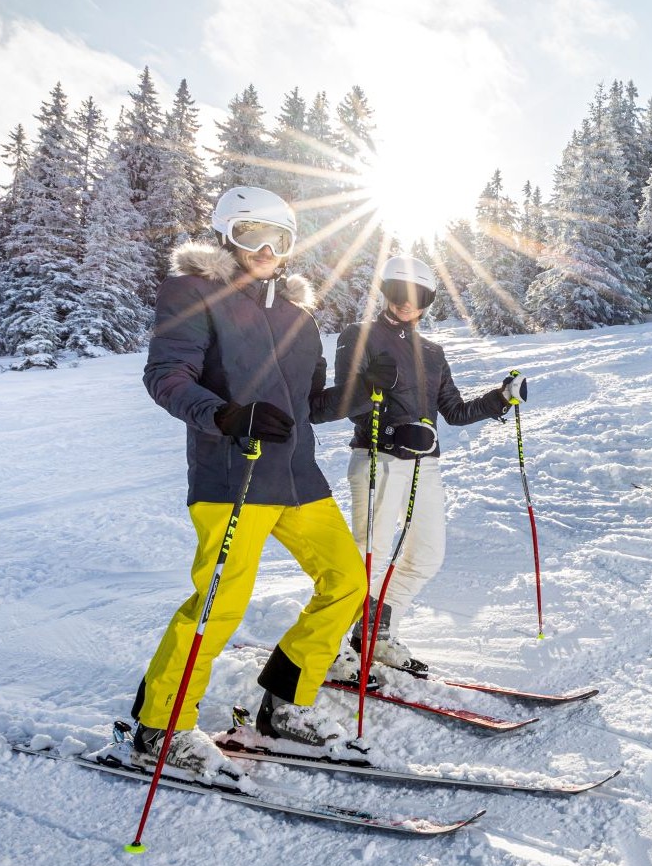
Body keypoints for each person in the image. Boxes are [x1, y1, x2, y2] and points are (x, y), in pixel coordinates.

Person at [132, 185, 397, 774]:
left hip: (297, 475)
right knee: (220, 603)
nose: (266, 248)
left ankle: (285, 703)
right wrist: (225, 414)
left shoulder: (300, 315)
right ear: (228, 234)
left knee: (347, 581)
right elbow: (166, 376)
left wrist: (365, 390)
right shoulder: (193, 291)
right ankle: (160, 727)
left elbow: (308, 405)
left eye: (280, 238)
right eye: (253, 234)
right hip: (232, 472)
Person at [332, 255, 524, 678]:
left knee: (427, 554)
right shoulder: (359, 335)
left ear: (427, 302)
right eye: (399, 293)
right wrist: (384, 419)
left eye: (417, 296)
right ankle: (329, 646)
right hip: (378, 460)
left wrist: (501, 397)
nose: (406, 303)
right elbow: (344, 401)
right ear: (387, 292)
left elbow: (453, 411)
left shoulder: (432, 352)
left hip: (425, 466)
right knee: (368, 556)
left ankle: (374, 632)